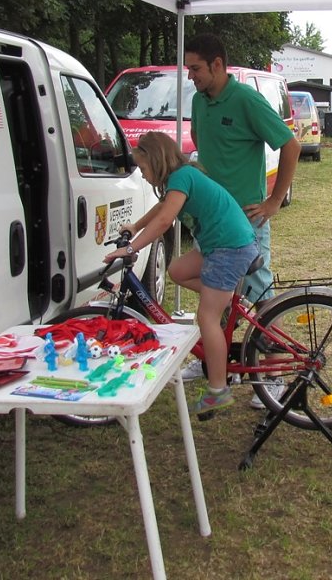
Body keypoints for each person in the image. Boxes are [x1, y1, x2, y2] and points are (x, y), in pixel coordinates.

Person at [181, 33, 301, 409]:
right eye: (188, 69)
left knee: (260, 294)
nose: (191, 77)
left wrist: (274, 200)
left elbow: (291, 144)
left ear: (217, 64)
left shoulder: (247, 99)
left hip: (246, 220)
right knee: (215, 290)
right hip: (210, 219)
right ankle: (214, 363)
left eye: (196, 68)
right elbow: (200, 139)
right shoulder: (200, 101)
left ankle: (273, 375)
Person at [104, 131, 259, 416]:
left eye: (145, 168)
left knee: (206, 317)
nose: (144, 175)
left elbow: (164, 221)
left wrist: (131, 249)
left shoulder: (181, 177)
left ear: (157, 159)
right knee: (177, 270)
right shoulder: (179, 178)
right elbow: (163, 208)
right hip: (221, 244)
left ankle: (218, 391)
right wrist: (135, 228)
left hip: (230, 247)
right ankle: (227, 301)